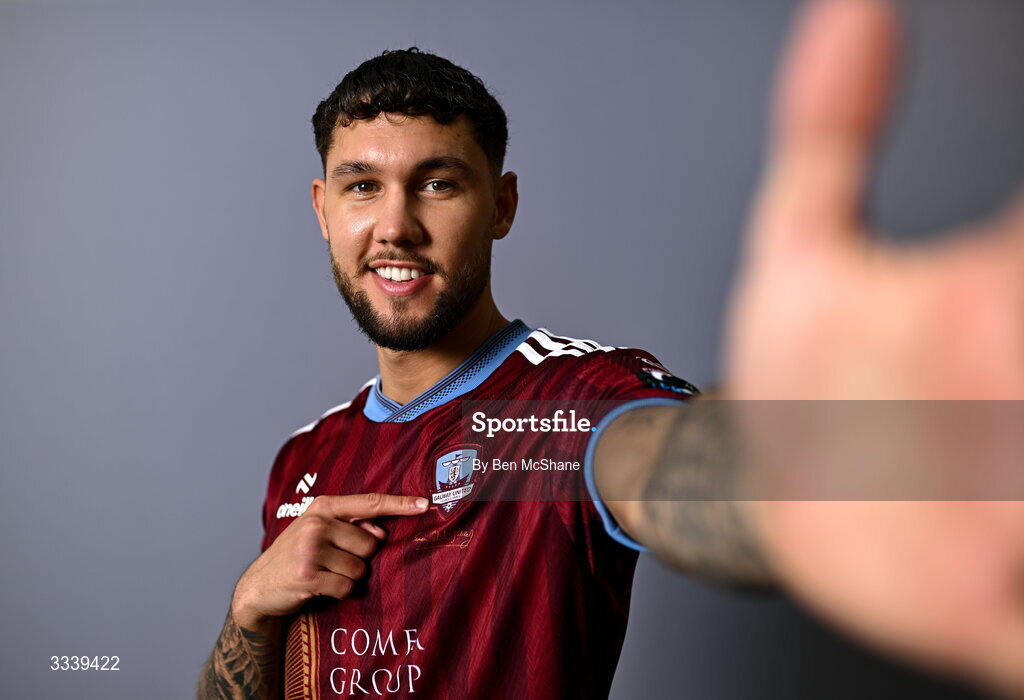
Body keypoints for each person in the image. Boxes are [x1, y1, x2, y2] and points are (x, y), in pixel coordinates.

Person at [199, 0, 1024, 697]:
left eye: (439, 182)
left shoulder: (571, 403)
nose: (394, 225)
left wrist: (804, 465)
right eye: (361, 186)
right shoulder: (303, 460)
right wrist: (249, 609)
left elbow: (663, 463)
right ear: (322, 208)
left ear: (502, 206)